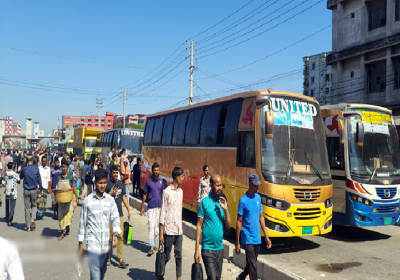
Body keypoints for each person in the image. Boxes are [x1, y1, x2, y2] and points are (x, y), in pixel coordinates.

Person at [77, 168, 121, 280]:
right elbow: (82, 224)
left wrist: (115, 235)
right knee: (95, 274)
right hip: (93, 245)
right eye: (100, 183)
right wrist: (80, 246)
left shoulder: (110, 200)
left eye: (105, 182)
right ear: (95, 182)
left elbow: (115, 218)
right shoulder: (87, 201)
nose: (103, 185)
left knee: (102, 272)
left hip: (106, 245)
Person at [194, 174, 231, 280]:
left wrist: (225, 210)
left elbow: (228, 225)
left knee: (216, 278)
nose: (219, 188)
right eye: (217, 185)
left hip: (219, 249)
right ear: (211, 185)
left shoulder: (222, 202)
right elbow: (199, 225)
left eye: (221, 185)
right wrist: (197, 249)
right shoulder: (204, 202)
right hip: (207, 248)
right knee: (212, 277)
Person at [236, 174, 272, 280]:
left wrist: (266, 236)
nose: (257, 188)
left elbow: (261, 217)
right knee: (253, 266)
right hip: (248, 238)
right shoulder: (243, 201)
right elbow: (239, 221)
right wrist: (237, 243)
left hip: (257, 238)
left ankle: (241, 277)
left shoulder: (258, 198)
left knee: (251, 263)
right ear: (250, 185)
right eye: (256, 185)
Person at [159, 167, 184, 280]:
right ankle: (160, 272)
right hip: (168, 230)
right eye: (182, 176)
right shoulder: (167, 192)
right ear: (177, 177)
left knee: (179, 256)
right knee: (167, 256)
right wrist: (160, 233)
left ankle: (178, 277)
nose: (184, 178)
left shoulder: (181, 192)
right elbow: (162, 211)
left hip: (179, 230)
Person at [105, 165, 131, 268]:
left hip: (119, 214)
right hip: (109, 215)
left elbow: (123, 197)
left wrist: (128, 209)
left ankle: (120, 260)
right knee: (110, 237)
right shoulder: (106, 184)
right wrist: (110, 193)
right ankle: (108, 257)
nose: (115, 175)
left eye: (117, 173)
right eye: (114, 173)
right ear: (110, 173)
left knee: (120, 236)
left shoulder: (121, 184)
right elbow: (102, 198)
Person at [140, 162, 164, 256]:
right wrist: (142, 207)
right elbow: (145, 195)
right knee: (151, 226)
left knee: (156, 227)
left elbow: (164, 194)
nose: (156, 172)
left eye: (158, 170)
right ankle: (151, 247)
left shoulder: (162, 181)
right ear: (152, 171)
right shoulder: (148, 182)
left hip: (159, 208)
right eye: (155, 170)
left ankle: (154, 245)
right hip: (151, 207)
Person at [56, 159, 78, 241]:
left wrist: (76, 197)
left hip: (69, 199)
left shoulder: (70, 177)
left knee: (68, 214)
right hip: (61, 199)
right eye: (62, 167)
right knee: (61, 216)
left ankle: (68, 226)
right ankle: (62, 233)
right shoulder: (59, 177)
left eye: (65, 167)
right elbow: (57, 187)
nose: (64, 168)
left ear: (68, 167)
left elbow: (74, 187)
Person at [20, 156, 43, 231]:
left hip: (26, 190)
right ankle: (33, 219)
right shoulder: (36, 169)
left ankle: (28, 226)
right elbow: (39, 179)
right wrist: (41, 188)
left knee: (27, 208)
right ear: (33, 161)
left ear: (27, 161)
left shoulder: (24, 169)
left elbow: (20, 177)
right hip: (34, 190)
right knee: (34, 206)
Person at [2, 162, 20, 226]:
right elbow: (19, 181)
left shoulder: (6, 174)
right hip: (13, 192)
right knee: (12, 207)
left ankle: (7, 217)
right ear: (12, 167)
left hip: (7, 192)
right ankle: (10, 220)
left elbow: (3, 183)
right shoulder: (15, 174)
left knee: (7, 206)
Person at [36, 156, 51, 220]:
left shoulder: (48, 169)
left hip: (45, 187)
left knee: (44, 201)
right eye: (43, 161)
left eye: (45, 161)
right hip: (39, 187)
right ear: (41, 162)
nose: (44, 162)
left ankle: (41, 214)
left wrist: (49, 188)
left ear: (46, 162)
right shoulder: (39, 168)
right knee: (38, 201)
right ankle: (38, 212)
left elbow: (48, 179)